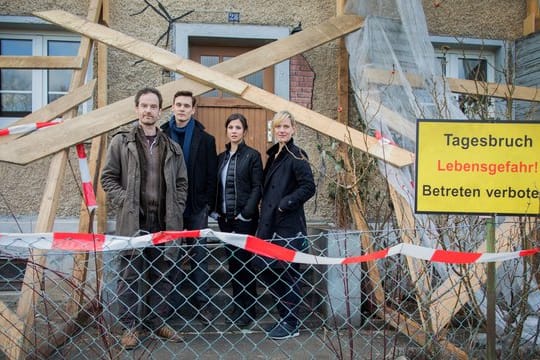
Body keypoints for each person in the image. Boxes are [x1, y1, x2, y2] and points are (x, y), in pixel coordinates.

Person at [101, 87, 188, 349]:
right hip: (133, 222)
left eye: (153, 106)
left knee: (162, 274)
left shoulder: (172, 147)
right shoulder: (122, 142)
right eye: (144, 106)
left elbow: (182, 183)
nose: (148, 111)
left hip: (163, 222)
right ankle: (130, 327)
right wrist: (126, 200)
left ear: (159, 111)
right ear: (137, 109)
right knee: (129, 275)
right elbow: (107, 178)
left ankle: (158, 321)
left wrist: (176, 206)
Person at [256, 110, 316, 340]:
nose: (282, 130)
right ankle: (284, 318)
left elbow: (308, 187)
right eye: (278, 127)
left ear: (294, 130)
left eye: (286, 127)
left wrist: (285, 203)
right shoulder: (274, 156)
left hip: (287, 226)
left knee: (288, 275)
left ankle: (292, 323)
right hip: (269, 226)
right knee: (270, 271)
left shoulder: (297, 155)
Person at [161, 90, 218, 325]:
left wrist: (205, 204)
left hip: (196, 208)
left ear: (193, 109)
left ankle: (202, 303)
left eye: (187, 105)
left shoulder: (206, 139)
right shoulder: (161, 134)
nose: (182, 109)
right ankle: (169, 306)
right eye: (178, 105)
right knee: (170, 256)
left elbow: (211, 175)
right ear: (172, 108)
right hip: (169, 208)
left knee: (199, 256)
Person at [212, 113, 263, 328]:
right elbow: (216, 187)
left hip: (245, 221)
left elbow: (256, 187)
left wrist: (246, 214)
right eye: (231, 127)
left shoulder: (252, 156)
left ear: (244, 131)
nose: (234, 131)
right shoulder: (220, 158)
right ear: (227, 130)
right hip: (226, 221)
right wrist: (215, 212)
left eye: (238, 128)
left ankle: (249, 309)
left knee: (244, 264)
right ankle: (238, 304)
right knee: (233, 265)